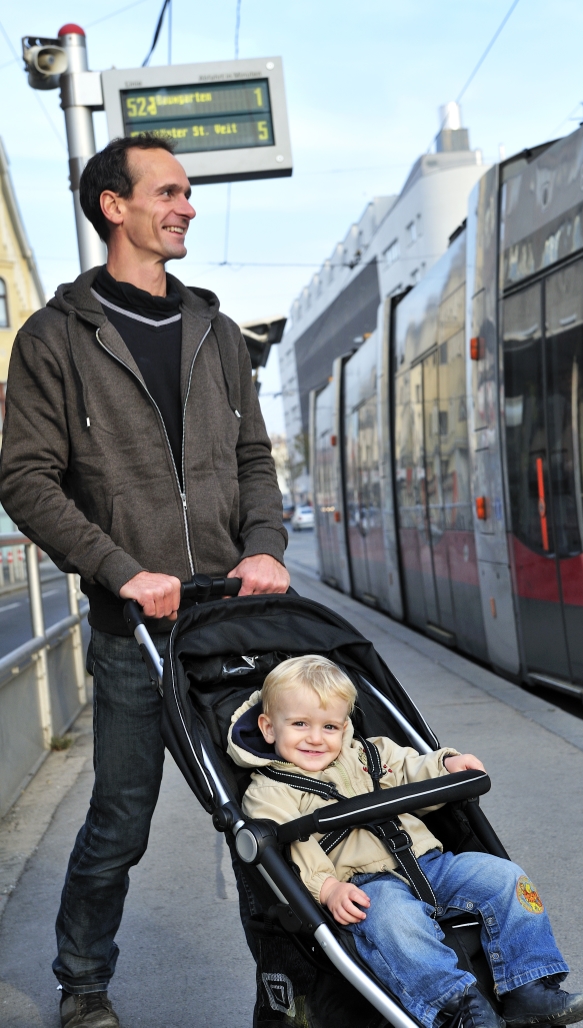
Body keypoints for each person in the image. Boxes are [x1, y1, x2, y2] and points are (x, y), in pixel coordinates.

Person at [0, 134, 289, 1028]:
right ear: (112, 207)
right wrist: (123, 573)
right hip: (137, 635)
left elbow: (252, 459)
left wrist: (268, 543)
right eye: (168, 192)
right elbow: (24, 478)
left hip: (233, 624)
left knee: (269, 815)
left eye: (188, 192)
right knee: (121, 823)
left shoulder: (214, 331)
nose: (187, 206)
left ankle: (288, 986)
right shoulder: (55, 339)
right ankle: (82, 981)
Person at [228, 656, 583, 1028]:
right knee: (395, 921)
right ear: (269, 728)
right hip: (365, 885)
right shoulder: (270, 791)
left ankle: (527, 985)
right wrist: (328, 888)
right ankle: (457, 1004)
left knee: (505, 877)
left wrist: (447, 765)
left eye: (330, 726)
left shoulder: (373, 754)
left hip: (429, 862)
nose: (315, 738)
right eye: (300, 724)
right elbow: (293, 852)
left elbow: (411, 769)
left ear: (345, 726)